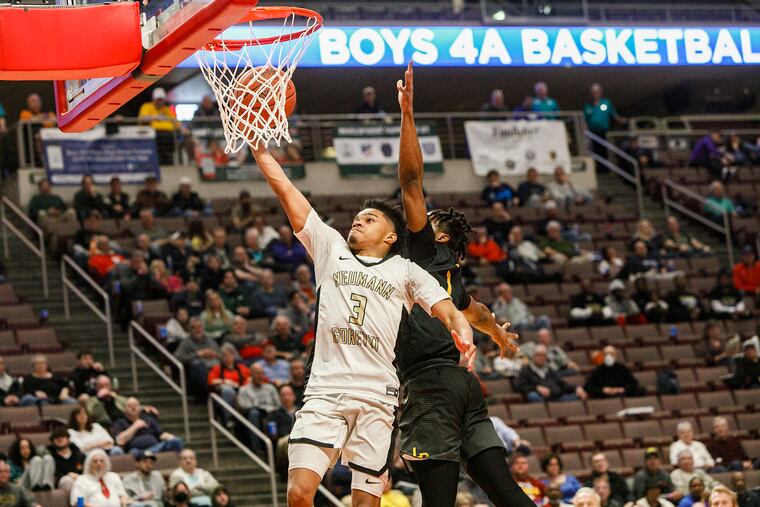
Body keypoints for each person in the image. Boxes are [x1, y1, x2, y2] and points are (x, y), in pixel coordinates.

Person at [251, 107, 475, 507]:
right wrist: (260, 151)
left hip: (379, 396)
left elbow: (450, 310)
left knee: (365, 504)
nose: (357, 222)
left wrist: (466, 336)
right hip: (326, 389)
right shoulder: (330, 248)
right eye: (356, 218)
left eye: (368, 219)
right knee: (299, 493)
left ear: (390, 236)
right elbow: (288, 192)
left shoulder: (406, 270)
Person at [112, 397, 183, 456]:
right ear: (125, 409)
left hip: (156, 448)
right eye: (130, 406)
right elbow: (119, 441)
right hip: (136, 451)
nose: (133, 407)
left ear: (140, 407)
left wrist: (171, 437)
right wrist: (135, 426)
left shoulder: (148, 419)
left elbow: (161, 434)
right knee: (134, 453)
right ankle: (147, 455)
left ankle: (149, 454)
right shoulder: (120, 422)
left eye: (135, 405)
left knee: (177, 441)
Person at [514, 345, 586, 403]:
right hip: (540, 398)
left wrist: (576, 388)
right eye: (539, 355)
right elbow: (519, 386)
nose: (542, 358)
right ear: (533, 356)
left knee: (578, 395)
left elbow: (562, 383)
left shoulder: (550, 370)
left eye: (544, 355)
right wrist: (537, 388)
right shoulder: (526, 370)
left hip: (556, 397)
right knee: (533, 395)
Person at [174, 317, 222, 401]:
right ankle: (211, 393)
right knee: (197, 365)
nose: (197, 329)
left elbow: (221, 355)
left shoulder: (210, 340)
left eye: (199, 327)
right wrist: (197, 354)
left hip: (214, 366)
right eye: (194, 327)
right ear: (189, 329)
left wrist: (214, 354)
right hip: (199, 370)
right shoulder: (186, 342)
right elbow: (177, 357)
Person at [237, 363, 281, 452]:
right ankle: (256, 446)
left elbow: (278, 404)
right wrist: (264, 408)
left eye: (262, 374)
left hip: (271, 414)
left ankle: (276, 446)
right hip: (255, 416)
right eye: (257, 374)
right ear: (251, 374)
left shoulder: (270, 388)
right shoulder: (244, 390)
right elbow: (245, 406)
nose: (261, 376)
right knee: (254, 413)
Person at [138, 87, 181, 165]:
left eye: (161, 99)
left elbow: (177, 123)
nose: (159, 102)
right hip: (155, 134)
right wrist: (156, 117)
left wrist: (167, 119)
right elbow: (142, 118)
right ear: (153, 99)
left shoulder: (169, 108)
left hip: (169, 136)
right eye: (157, 99)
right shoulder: (146, 106)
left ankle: (168, 162)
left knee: (172, 143)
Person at [207, 343, 249, 419]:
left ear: (234, 356)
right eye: (225, 355)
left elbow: (250, 378)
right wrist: (226, 381)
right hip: (225, 393)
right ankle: (228, 419)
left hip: (241, 391)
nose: (227, 357)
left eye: (230, 355)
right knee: (228, 391)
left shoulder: (242, 367)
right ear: (221, 357)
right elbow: (211, 381)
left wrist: (241, 387)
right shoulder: (217, 368)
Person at [584, 83, 624, 158]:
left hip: (604, 132)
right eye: (593, 92)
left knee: (605, 150)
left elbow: (613, 114)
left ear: (600, 92)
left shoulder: (606, 103)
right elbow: (585, 121)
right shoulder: (587, 106)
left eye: (596, 92)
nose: (595, 94)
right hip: (593, 133)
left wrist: (621, 120)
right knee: (596, 151)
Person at [47, 427, 85, 492]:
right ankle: (76, 502)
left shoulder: (78, 454)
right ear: (53, 441)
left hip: (80, 480)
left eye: (62, 436)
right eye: (56, 437)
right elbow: (53, 475)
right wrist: (68, 474)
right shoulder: (50, 456)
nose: (60, 439)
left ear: (68, 439)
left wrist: (78, 477)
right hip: (62, 482)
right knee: (68, 481)